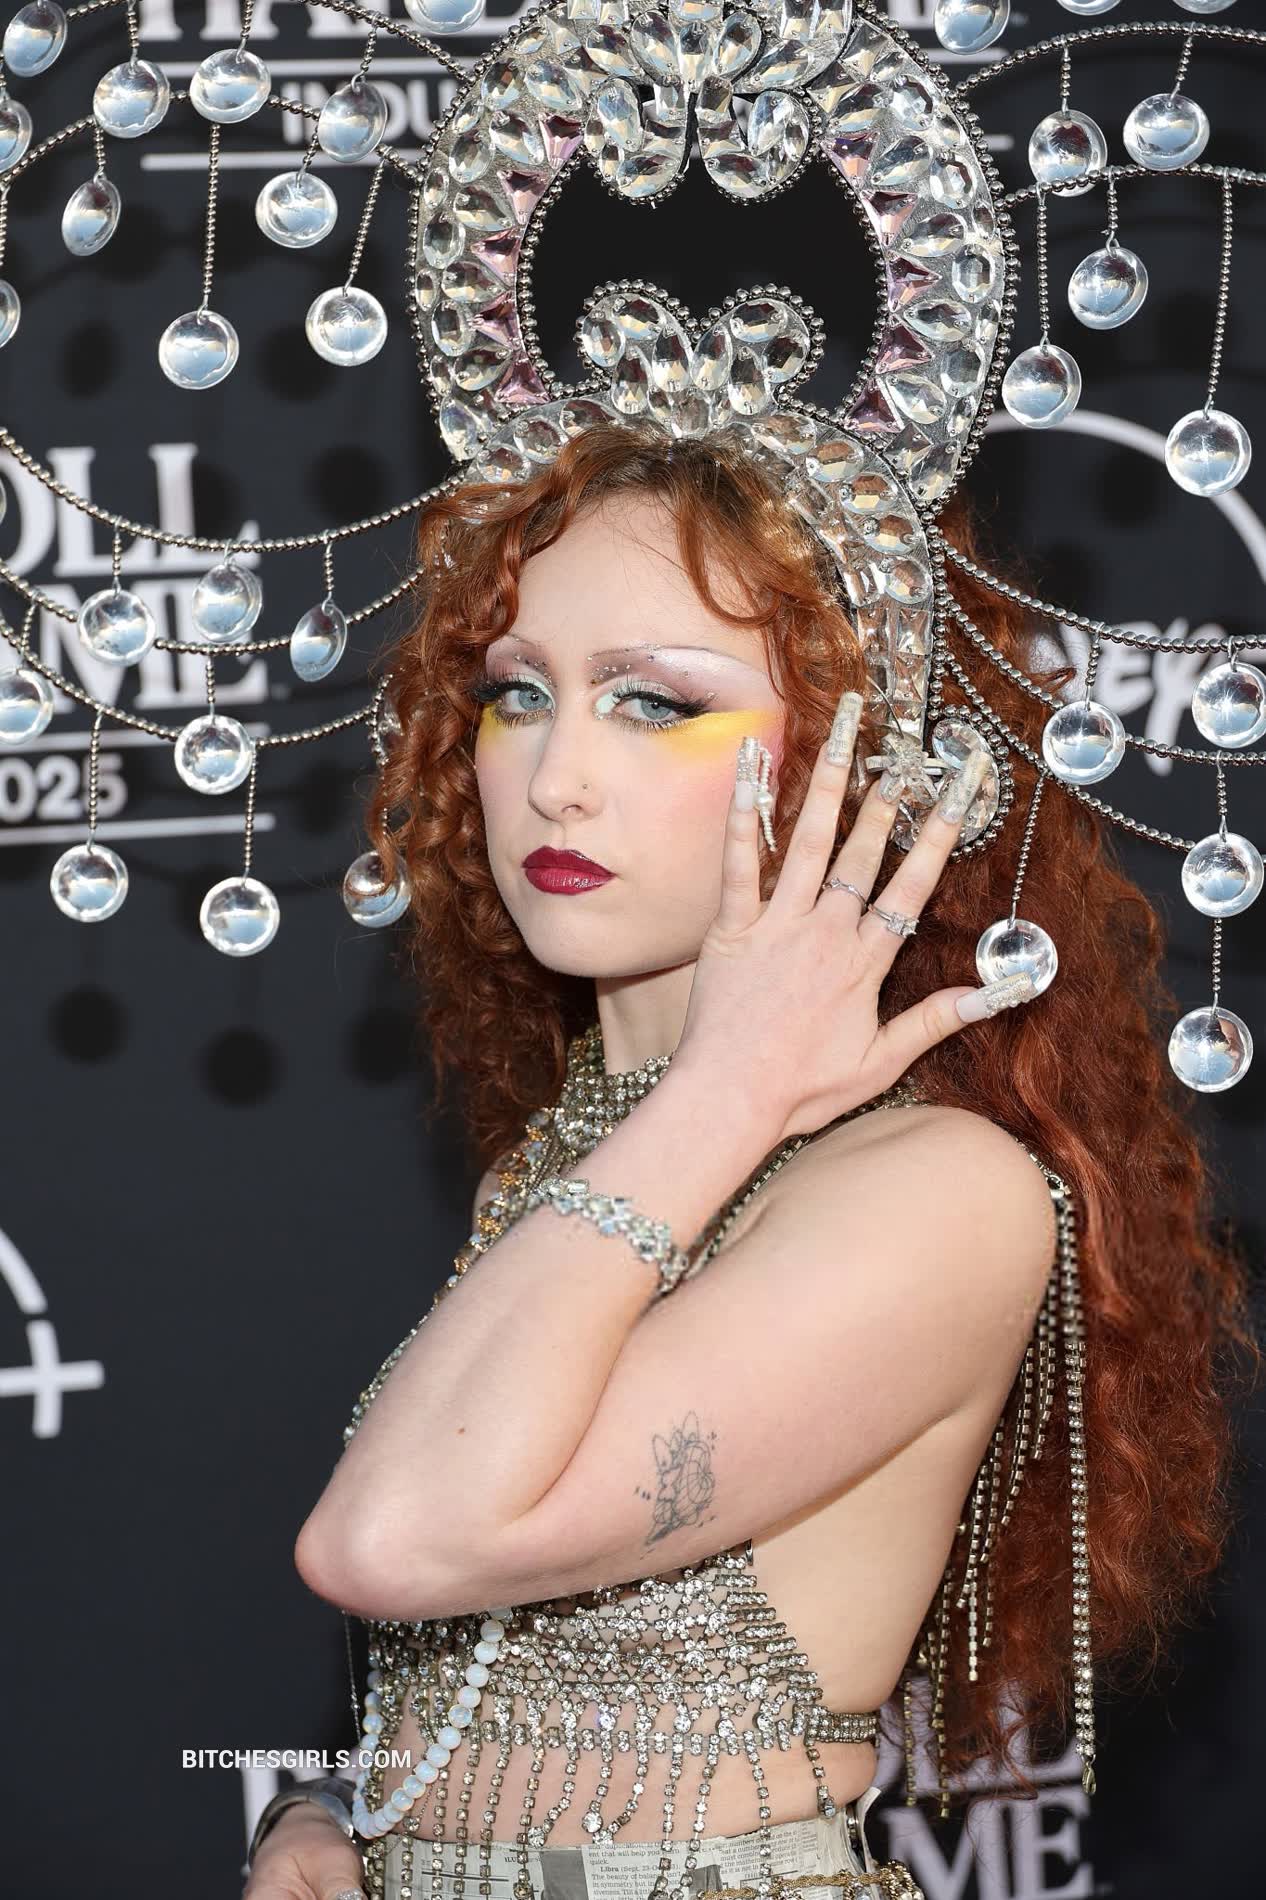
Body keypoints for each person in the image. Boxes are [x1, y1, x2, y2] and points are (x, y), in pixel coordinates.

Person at [241, 427, 1257, 1900]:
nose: (556, 777)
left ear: (865, 760)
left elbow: (390, 1540)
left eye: (656, 702)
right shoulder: (569, 1163)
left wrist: (725, 1090)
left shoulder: (935, 1195)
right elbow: (477, 1664)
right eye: (517, 693)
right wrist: (332, 1822)